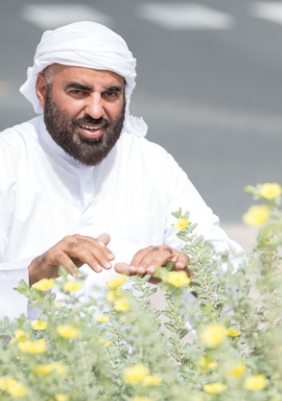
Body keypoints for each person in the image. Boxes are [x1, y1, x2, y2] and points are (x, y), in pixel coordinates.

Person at [0, 21, 243, 319]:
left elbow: (234, 276)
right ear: (42, 90)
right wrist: (35, 272)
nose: (96, 110)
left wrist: (186, 267)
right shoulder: (7, 159)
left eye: (111, 95)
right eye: (79, 91)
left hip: (125, 363)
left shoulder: (151, 163)